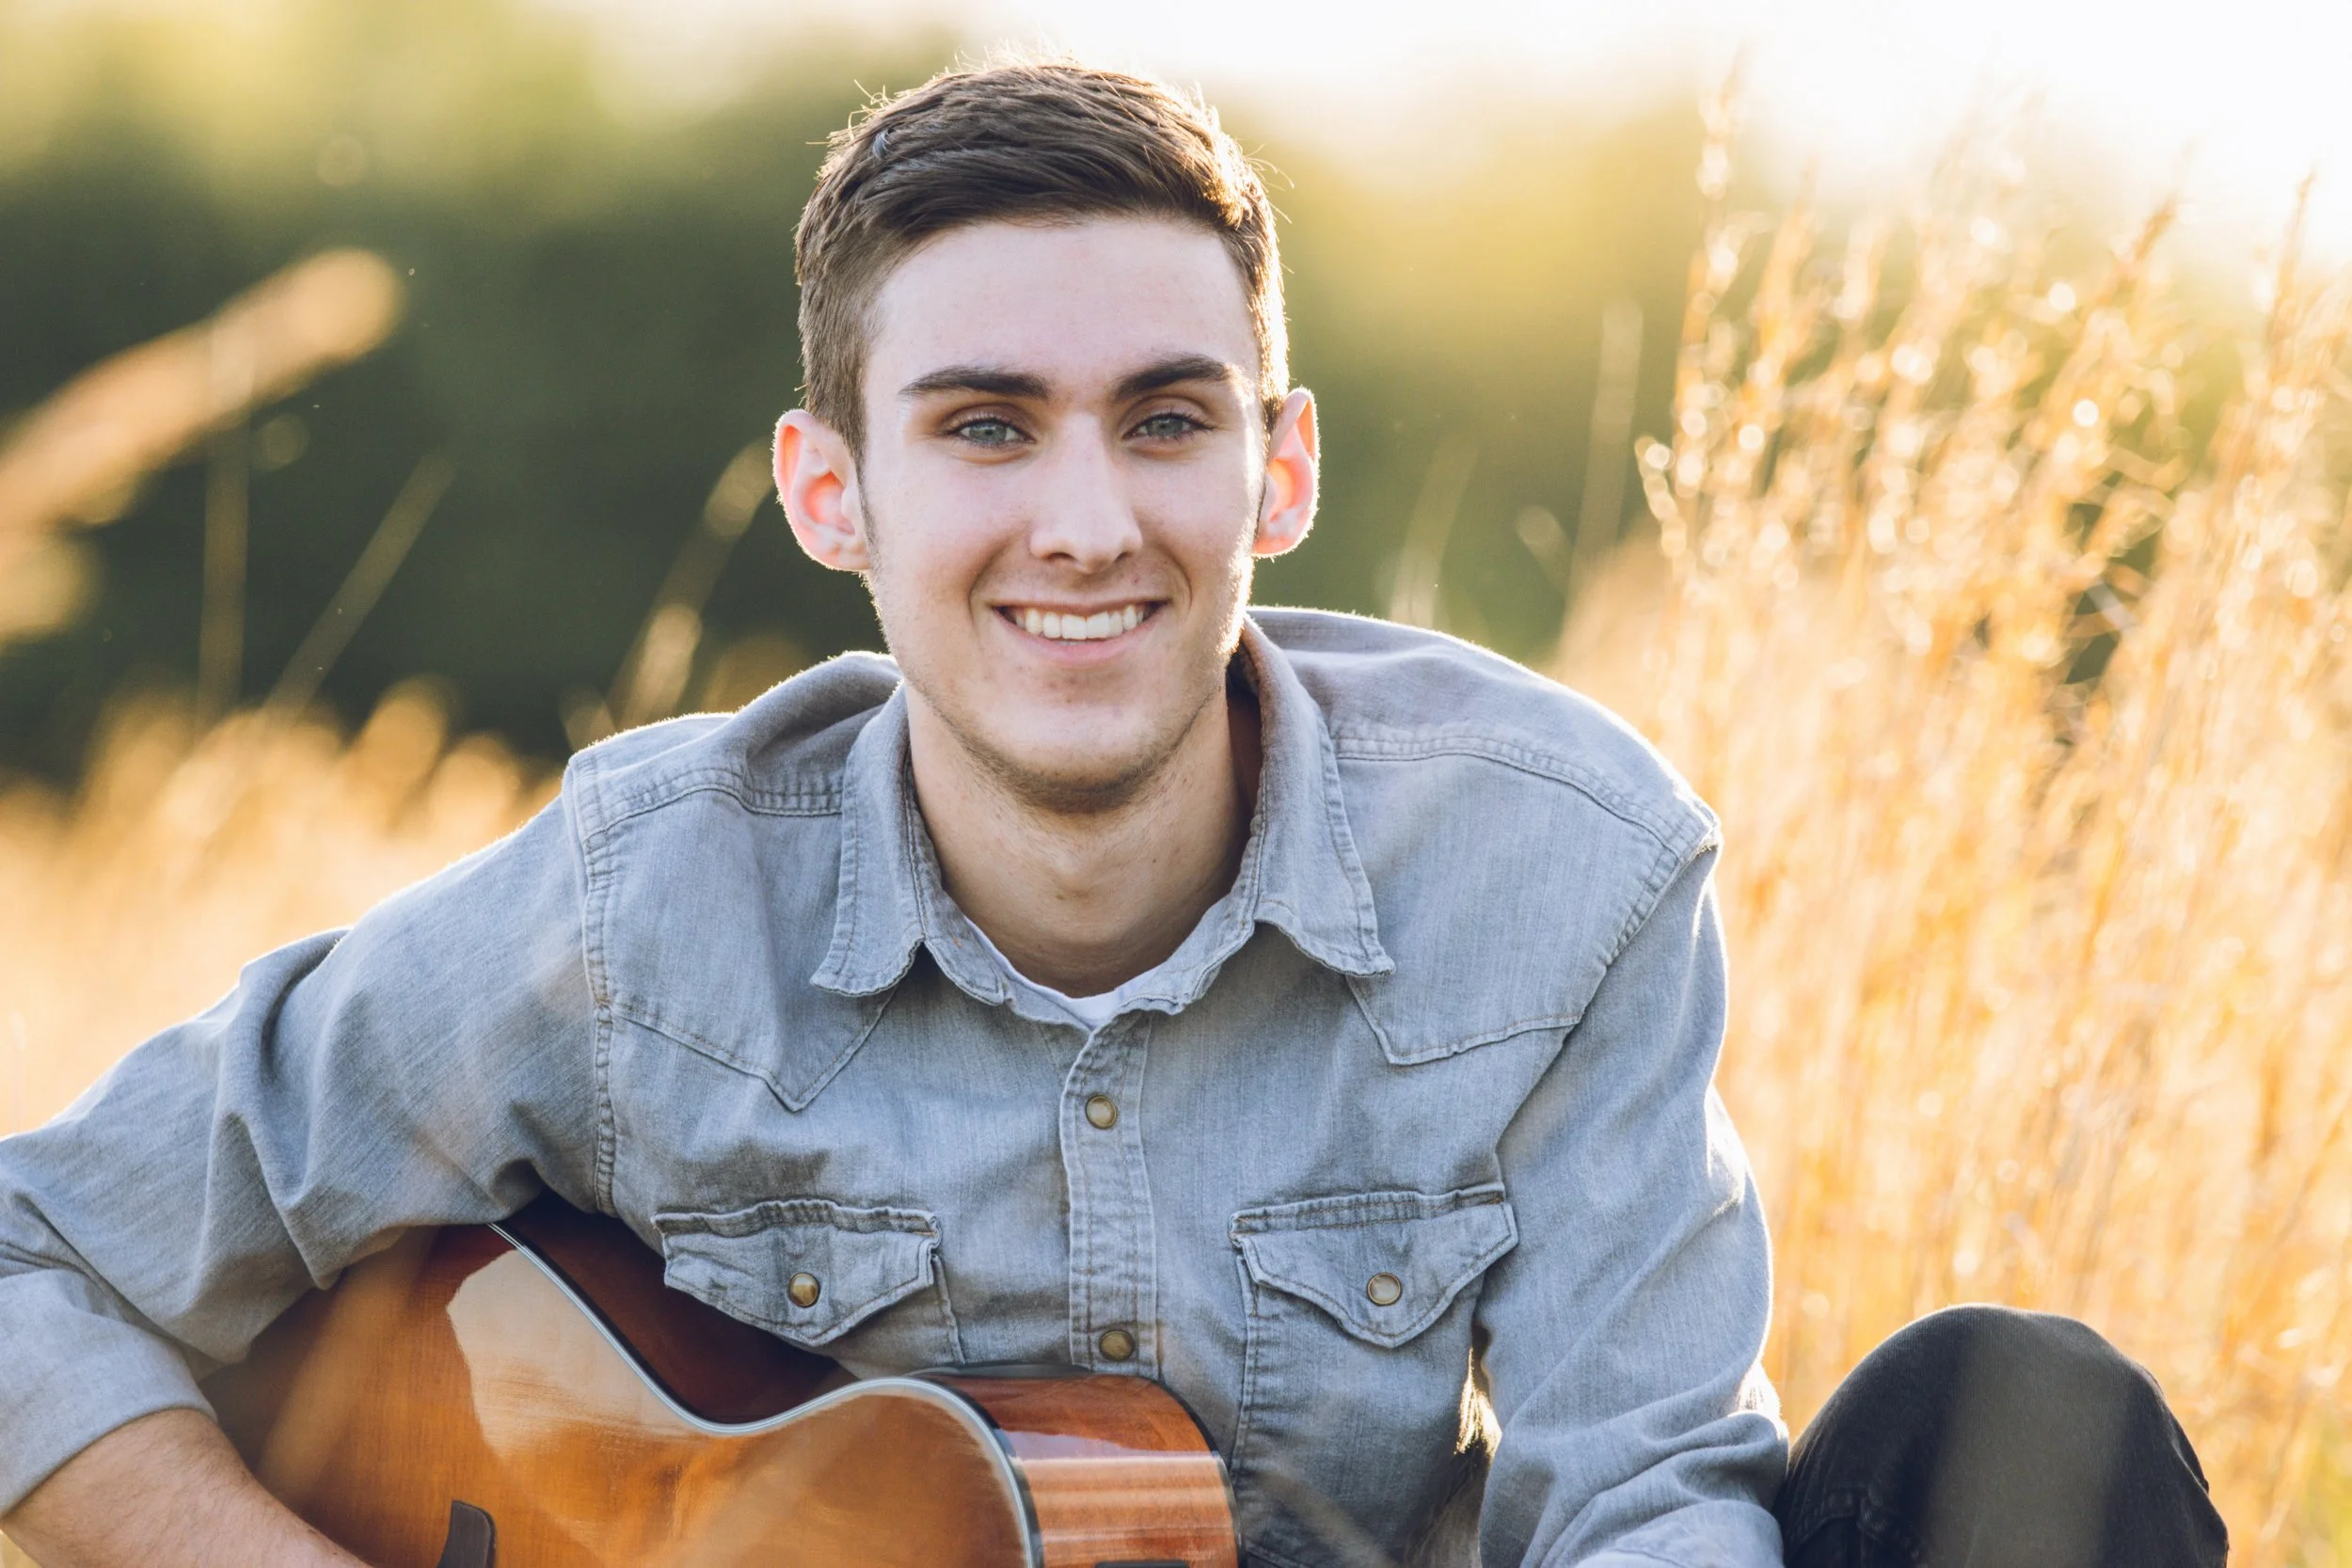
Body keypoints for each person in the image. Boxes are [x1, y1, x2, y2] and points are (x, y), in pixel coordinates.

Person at [0, 60, 2229, 1568]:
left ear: (1280, 467)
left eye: (1163, 419)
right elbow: (35, 1250)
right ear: (829, 491)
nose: (1086, 521)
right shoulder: (639, 898)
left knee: (2006, 1424)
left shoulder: (1557, 864)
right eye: (984, 425)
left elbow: (1633, 1476)